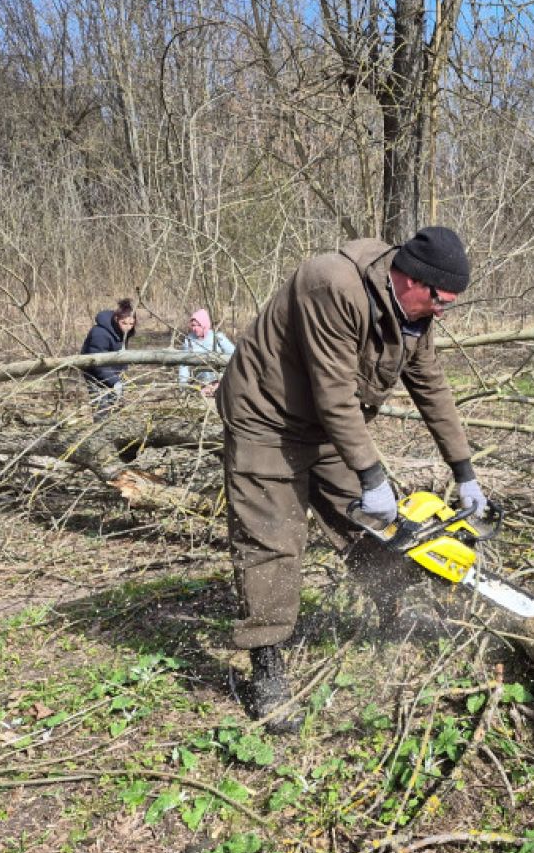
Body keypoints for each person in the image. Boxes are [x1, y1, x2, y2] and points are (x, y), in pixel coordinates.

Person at [216, 226, 487, 733]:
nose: (443, 311)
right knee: (272, 541)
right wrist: (371, 473)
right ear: (411, 278)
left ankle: (393, 603)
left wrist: (464, 471)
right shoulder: (333, 286)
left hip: (325, 423)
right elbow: (335, 391)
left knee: (375, 523)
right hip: (265, 418)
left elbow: (432, 387)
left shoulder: (414, 311)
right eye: (440, 300)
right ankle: (267, 660)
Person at [80, 298, 136, 418]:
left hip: (113, 373)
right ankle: (100, 432)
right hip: (94, 373)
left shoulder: (123, 332)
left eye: (131, 324)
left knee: (115, 405)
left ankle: (113, 430)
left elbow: (121, 355)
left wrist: (121, 376)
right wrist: (114, 381)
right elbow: (97, 361)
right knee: (102, 406)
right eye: (124, 323)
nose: (128, 327)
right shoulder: (100, 333)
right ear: (116, 319)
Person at [178, 309, 235, 396]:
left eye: (198, 325)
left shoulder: (217, 337)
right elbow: (183, 364)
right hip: (199, 381)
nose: (194, 328)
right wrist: (183, 383)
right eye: (193, 325)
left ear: (204, 324)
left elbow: (234, 355)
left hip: (219, 378)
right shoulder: (189, 340)